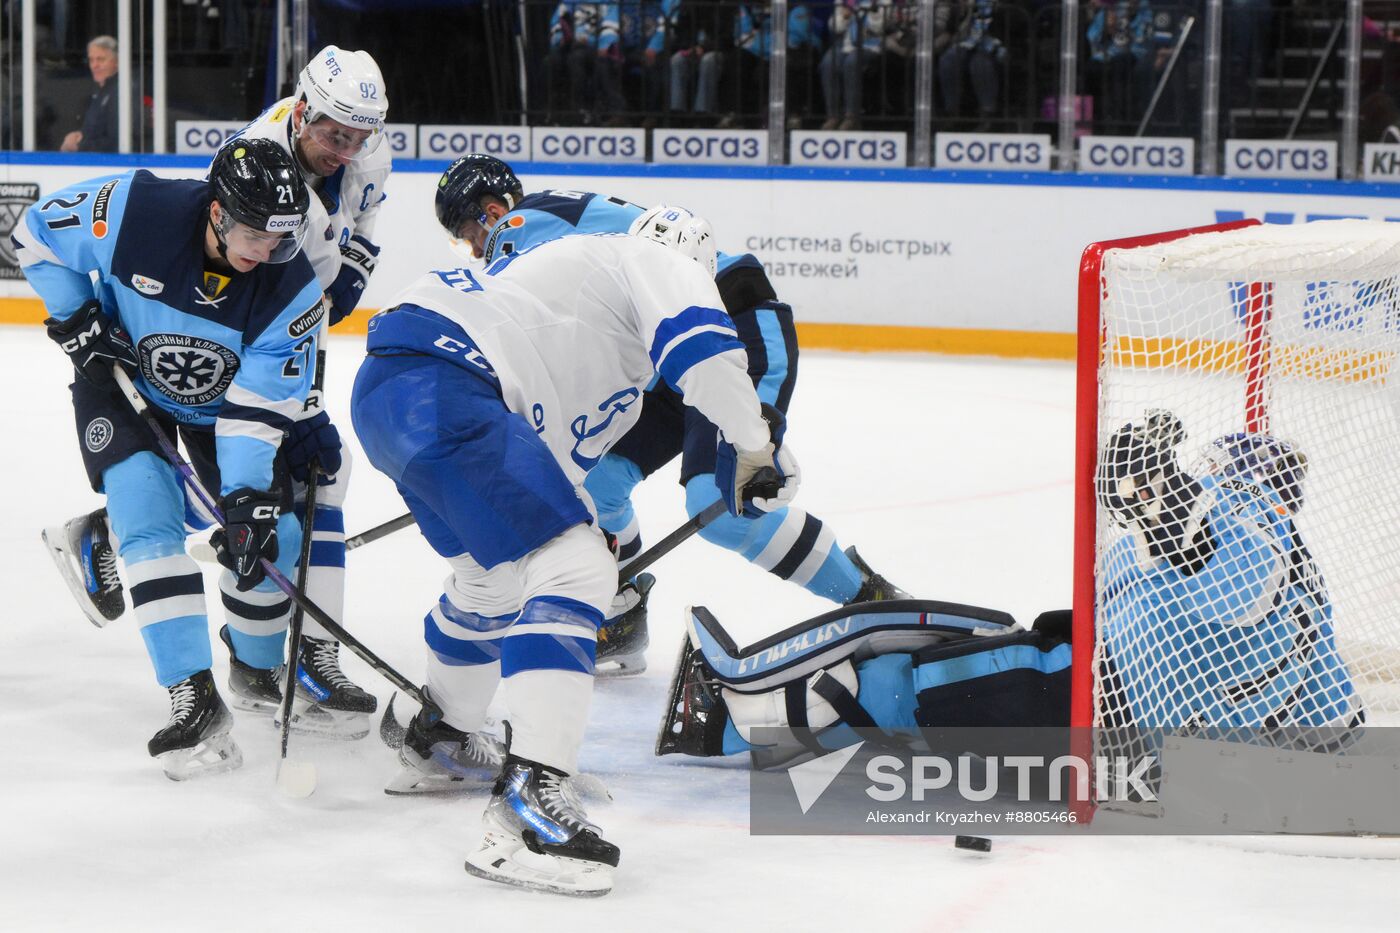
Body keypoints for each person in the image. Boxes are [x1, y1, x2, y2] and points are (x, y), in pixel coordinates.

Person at [349, 220, 798, 896]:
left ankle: (438, 737)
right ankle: (528, 807)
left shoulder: (587, 324)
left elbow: (549, 456)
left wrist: (581, 517)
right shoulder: (648, 256)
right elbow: (708, 353)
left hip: (398, 390)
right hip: (445, 385)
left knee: (496, 579)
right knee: (576, 566)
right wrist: (755, 444)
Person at [438, 154, 909, 678]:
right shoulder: (555, 225)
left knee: (721, 504)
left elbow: (537, 340)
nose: (476, 251)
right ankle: (622, 612)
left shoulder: (520, 229)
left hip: (725, 331)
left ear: (493, 211)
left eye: (467, 235)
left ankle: (872, 600)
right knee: (595, 482)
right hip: (665, 356)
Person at [41, 45, 390, 739]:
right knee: (224, 497)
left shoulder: (362, 154)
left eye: (359, 137)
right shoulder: (250, 172)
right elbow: (229, 295)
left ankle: (287, 650)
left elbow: (340, 255)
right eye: (333, 135)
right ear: (301, 112)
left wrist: (350, 268)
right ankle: (267, 650)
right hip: (183, 353)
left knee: (312, 485)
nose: (346, 150)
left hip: (266, 343)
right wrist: (74, 316)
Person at [20, 139, 322, 780]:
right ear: (216, 210)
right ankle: (193, 695)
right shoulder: (135, 210)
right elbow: (38, 232)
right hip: (124, 382)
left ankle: (254, 664)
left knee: (273, 538)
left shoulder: (291, 290)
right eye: (252, 234)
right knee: (145, 517)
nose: (264, 252)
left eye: (278, 240)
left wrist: (243, 497)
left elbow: (259, 406)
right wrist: (74, 318)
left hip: (225, 414)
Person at [1094, 411, 1363, 748]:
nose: (1204, 475)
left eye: (1214, 467)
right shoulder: (1300, 576)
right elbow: (1340, 721)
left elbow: (1243, 585)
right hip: (1151, 706)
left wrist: (1187, 520)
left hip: (1132, 703)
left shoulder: (1242, 509)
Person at [60, 35, 120, 153]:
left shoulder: (121, 93)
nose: (94, 65)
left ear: (116, 62)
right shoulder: (99, 92)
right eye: (91, 60)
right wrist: (79, 136)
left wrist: (80, 145)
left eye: (101, 59)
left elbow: (115, 141)